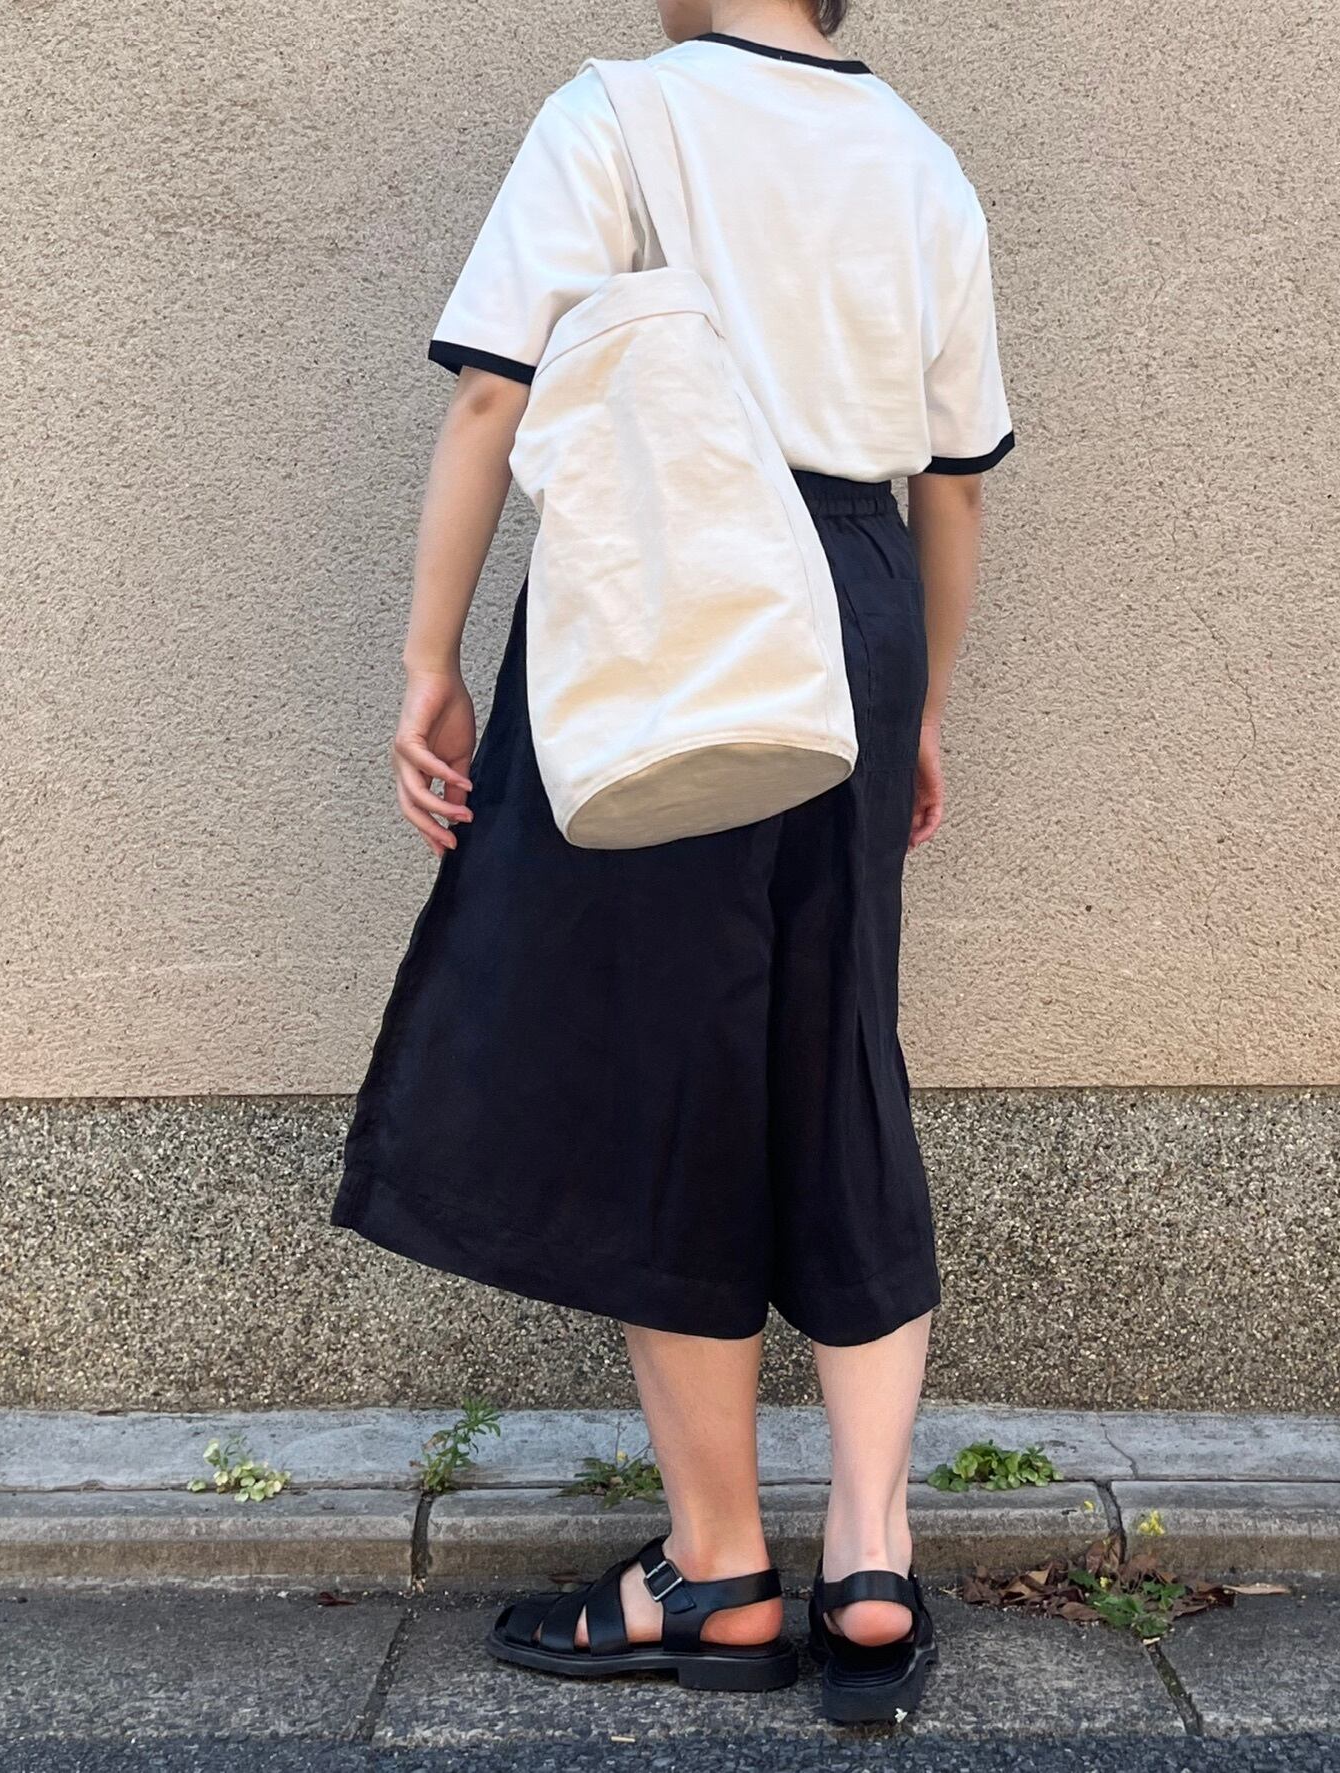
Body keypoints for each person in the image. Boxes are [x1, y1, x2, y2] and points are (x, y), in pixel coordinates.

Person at [331, 0, 1013, 1724]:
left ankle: (717, 1569)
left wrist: (428, 657)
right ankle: (870, 1559)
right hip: (858, 603)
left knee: (669, 1061)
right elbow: (953, 485)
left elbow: (494, 390)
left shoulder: (620, 113)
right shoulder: (919, 161)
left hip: (672, 597)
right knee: (840, 1043)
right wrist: (920, 698)